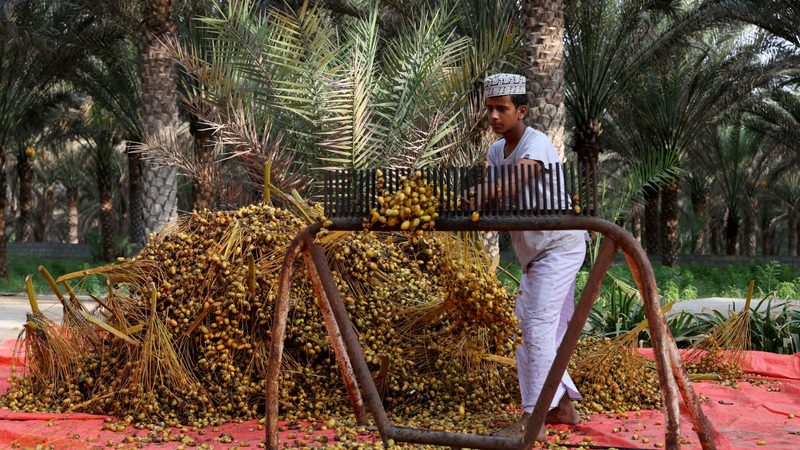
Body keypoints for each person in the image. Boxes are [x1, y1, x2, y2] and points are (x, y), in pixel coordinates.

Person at [468, 73, 586, 440]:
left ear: (521, 111)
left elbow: (509, 186)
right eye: (489, 109)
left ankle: (531, 421)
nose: (493, 117)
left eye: (501, 109)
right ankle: (562, 407)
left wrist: (472, 196)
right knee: (537, 333)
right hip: (536, 256)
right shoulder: (494, 152)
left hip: (560, 247)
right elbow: (495, 197)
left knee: (534, 327)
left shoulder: (536, 144)